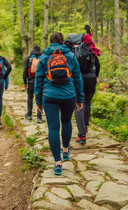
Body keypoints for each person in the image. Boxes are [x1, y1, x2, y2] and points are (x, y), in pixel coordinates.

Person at [35, 32, 84, 176]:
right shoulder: (70, 56)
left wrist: (38, 101)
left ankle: (57, 163)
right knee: (67, 121)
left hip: (49, 96)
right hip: (68, 95)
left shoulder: (44, 57)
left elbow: (38, 80)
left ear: (50, 42)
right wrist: (79, 98)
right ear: (62, 41)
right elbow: (77, 78)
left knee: (53, 128)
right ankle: (65, 150)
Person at [66, 27, 101, 145]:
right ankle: (85, 126)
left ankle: (82, 135)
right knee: (87, 102)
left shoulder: (69, 49)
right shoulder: (87, 46)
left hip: (77, 78)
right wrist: (96, 76)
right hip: (91, 76)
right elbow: (97, 63)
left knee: (78, 103)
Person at [23, 45, 43, 123]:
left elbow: (25, 71)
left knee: (30, 97)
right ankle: (39, 117)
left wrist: (25, 82)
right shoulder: (43, 57)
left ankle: (29, 115)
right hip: (40, 81)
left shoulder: (28, 58)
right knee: (40, 98)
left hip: (31, 81)